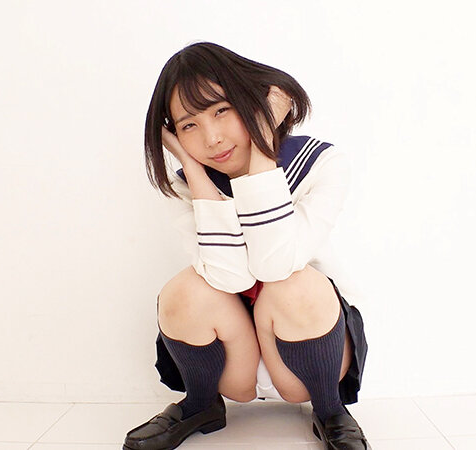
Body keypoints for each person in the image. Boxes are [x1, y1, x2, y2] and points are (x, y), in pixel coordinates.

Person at [124, 42, 370, 450]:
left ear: (250, 100)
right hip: (229, 360)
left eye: (222, 110)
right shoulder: (184, 187)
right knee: (182, 291)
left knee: (294, 283)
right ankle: (200, 404)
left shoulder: (322, 164)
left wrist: (261, 146)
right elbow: (230, 277)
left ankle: (330, 409)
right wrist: (195, 173)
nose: (212, 138)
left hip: (309, 351)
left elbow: (276, 265)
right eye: (189, 126)